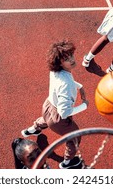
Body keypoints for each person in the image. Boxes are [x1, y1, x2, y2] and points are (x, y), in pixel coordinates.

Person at [21, 40, 88, 169]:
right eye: (66, 58)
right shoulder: (67, 84)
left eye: (71, 55)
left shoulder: (55, 71)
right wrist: (84, 105)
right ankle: (67, 162)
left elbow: (61, 85)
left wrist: (79, 86)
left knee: (46, 119)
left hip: (48, 106)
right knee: (74, 137)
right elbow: (64, 112)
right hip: (58, 119)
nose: (72, 59)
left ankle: (33, 129)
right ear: (60, 63)